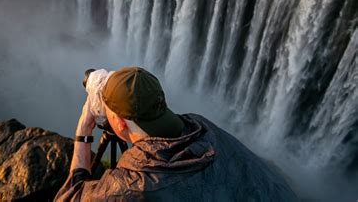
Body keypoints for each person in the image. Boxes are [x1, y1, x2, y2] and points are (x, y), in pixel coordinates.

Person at [55, 66, 297, 201]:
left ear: (118, 122)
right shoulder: (201, 125)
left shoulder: (135, 186)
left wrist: (84, 131)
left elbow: (68, 198)